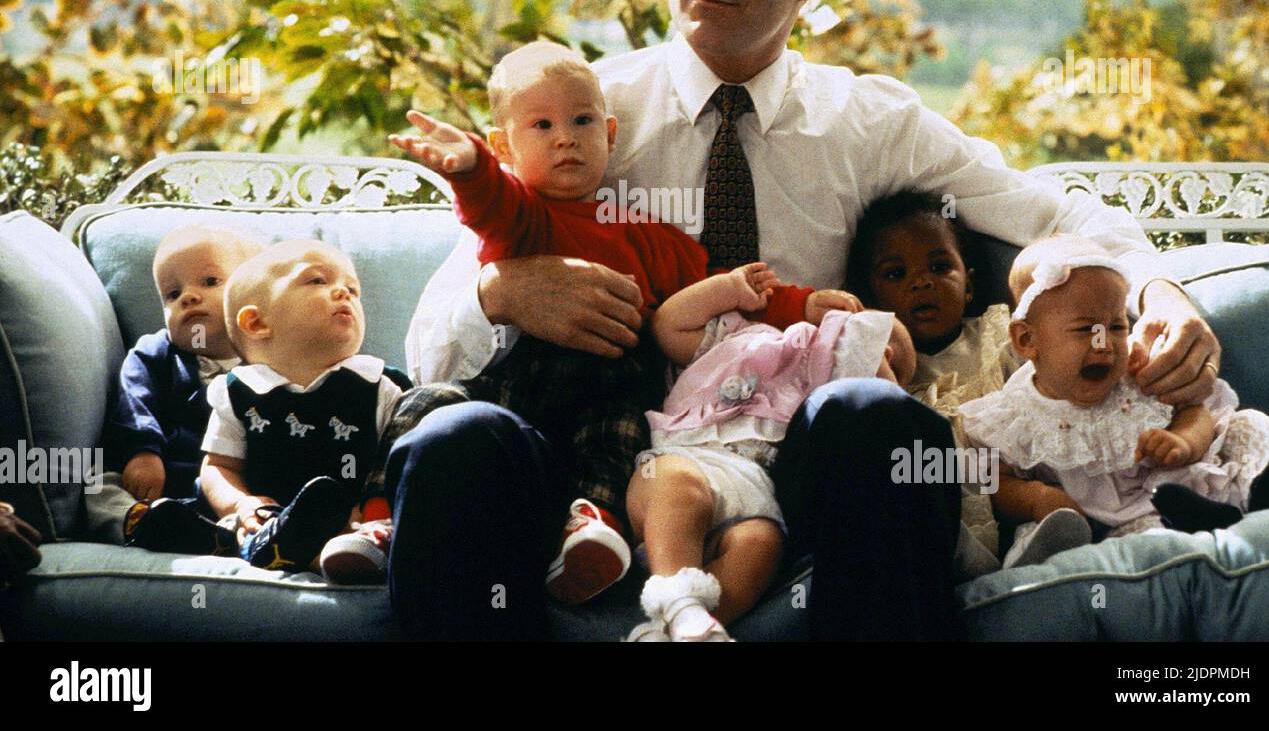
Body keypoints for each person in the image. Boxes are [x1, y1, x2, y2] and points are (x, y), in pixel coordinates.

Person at [397, 0, 1224, 641]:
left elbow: (1056, 214)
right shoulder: (580, 114)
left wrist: (1157, 288)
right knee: (459, 436)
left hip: (791, 466)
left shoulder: (868, 124)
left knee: (874, 414)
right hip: (595, 460)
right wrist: (499, 291)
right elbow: (433, 347)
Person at [386, 40, 851, 603]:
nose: (565, 138)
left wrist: (799, 305)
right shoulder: (524, 222)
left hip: (605, 387)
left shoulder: (647, 233)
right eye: (542, 126)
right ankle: (373, 515)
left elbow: (725, 288)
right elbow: (491, 202)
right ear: (505, 147)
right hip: (512, 397)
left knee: (622, 424)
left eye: (582, 121)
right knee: (425, 405)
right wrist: (469, 169)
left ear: (609, 135)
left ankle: (593, 522)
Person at [626, 262, 914, 641]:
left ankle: (689, 628)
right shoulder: (738, 335)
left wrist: (869, 359)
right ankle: (677, 602)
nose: (858, 333)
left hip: (757, 493)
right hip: (687, 457)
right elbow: (668, 324)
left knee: (762, 545)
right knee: (682, 490)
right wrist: (729, 289)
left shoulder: (825, 394)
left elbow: (883, 418)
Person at [962, 236, 1269, 567]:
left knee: (1250, 423)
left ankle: (1268, 491)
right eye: (1086, 329)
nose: (1105, 344)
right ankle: (1061, 550)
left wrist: (1184, 441)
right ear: (1027, 339)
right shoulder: (1015, 414)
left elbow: (1197, 411)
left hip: (1202, 479)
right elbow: (997, 480)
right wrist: (1036, 498)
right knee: (1144, 541)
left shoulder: (1138, 372)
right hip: (1129, 522)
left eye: (1116, 325)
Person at [199, 240, 409, 574]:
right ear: (256, 323)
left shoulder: (379, 386)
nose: (344, 293)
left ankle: (325, 554)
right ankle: (215, 536)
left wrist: (362, 511)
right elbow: (218, 467)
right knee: (221, 518)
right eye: (318, 281)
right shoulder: (237, 392)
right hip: (268, 522)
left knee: (387, 531)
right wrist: (242, 503)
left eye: (353, 290)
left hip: (357, 523)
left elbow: (397, 468)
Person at [846, 190, 1021, 573]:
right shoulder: (879, 366)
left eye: (940, 268)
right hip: (933, 510)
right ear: (871, 298)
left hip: (1009, 491)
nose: (922, 283)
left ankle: (1030, 546)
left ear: (969, 285)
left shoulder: (998, 338)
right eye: (896, 274)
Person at [89, 223, 265, 551]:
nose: (189, 297)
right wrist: (142, 450)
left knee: (267, 495)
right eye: (172, 294)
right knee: (99, 488)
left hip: (235, 484)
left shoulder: (270, 362)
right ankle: (143, 523)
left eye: (210, 281)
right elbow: (134, 401)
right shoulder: (155, 354)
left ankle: (235, 533)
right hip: (162, 476)